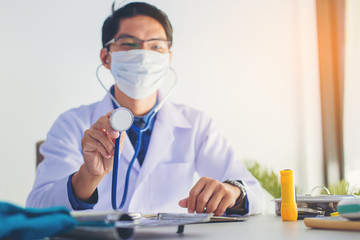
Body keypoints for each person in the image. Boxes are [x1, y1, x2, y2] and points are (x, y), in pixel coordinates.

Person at [27, 2, 264, 216]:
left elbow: (257, 195)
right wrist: (87, 177)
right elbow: (37, 209)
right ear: (105, 57)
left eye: (156, 47)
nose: (143, 55)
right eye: (129, 45)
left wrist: (233, 192)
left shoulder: (195, 124)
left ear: (168, 57)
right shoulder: (71, 124)